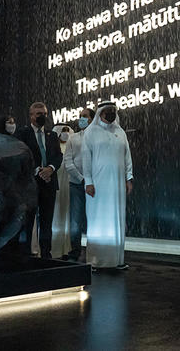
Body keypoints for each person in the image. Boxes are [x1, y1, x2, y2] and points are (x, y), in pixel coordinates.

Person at [82, 101, 133, 270]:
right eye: (107, 111)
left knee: (116, 219)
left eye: (113, 111)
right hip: (97, 184)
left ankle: (116, 260)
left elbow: (127, 158)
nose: (110, 113)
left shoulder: (120, 132)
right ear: (100, 113)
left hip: (118, 185)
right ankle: (95, 261)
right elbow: (86, 159)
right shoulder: (91, 132)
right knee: (98, 220)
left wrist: (129, 178)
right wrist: (88, 182)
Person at [17, 102, 62, 259]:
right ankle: (25, 255)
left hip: (49, 183)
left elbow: (58, 156)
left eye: (44, 113)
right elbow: (21, 156)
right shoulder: (22, 133)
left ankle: (46, 255)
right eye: (38, 114)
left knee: (46, 222)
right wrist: (38, 170)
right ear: (31, 116)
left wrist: (50, 168)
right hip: (30, 184)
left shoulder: (52, 135)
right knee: (28, 222)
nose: (42, 116)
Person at [64, 109, 94, 262]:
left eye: (85, 116)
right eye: (80, 116)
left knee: (94, 219)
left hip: (95, 186)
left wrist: (91, 180)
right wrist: (82, 179)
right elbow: (68, 162)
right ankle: (75, 251)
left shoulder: (96, 137)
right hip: (76, 184)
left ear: (92, 119)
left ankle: (94, 251)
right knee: (75, 220)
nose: (81, 119)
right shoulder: (73, 138)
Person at [50, 123, 73, 259]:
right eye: (62, 131)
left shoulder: (71, 147)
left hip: (68, 188)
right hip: (55, 186)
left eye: (67, 130)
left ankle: (65, 249)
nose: (65, 133)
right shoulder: (53, 148)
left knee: (66, 217)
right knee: (54, 215)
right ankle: (52, 247)